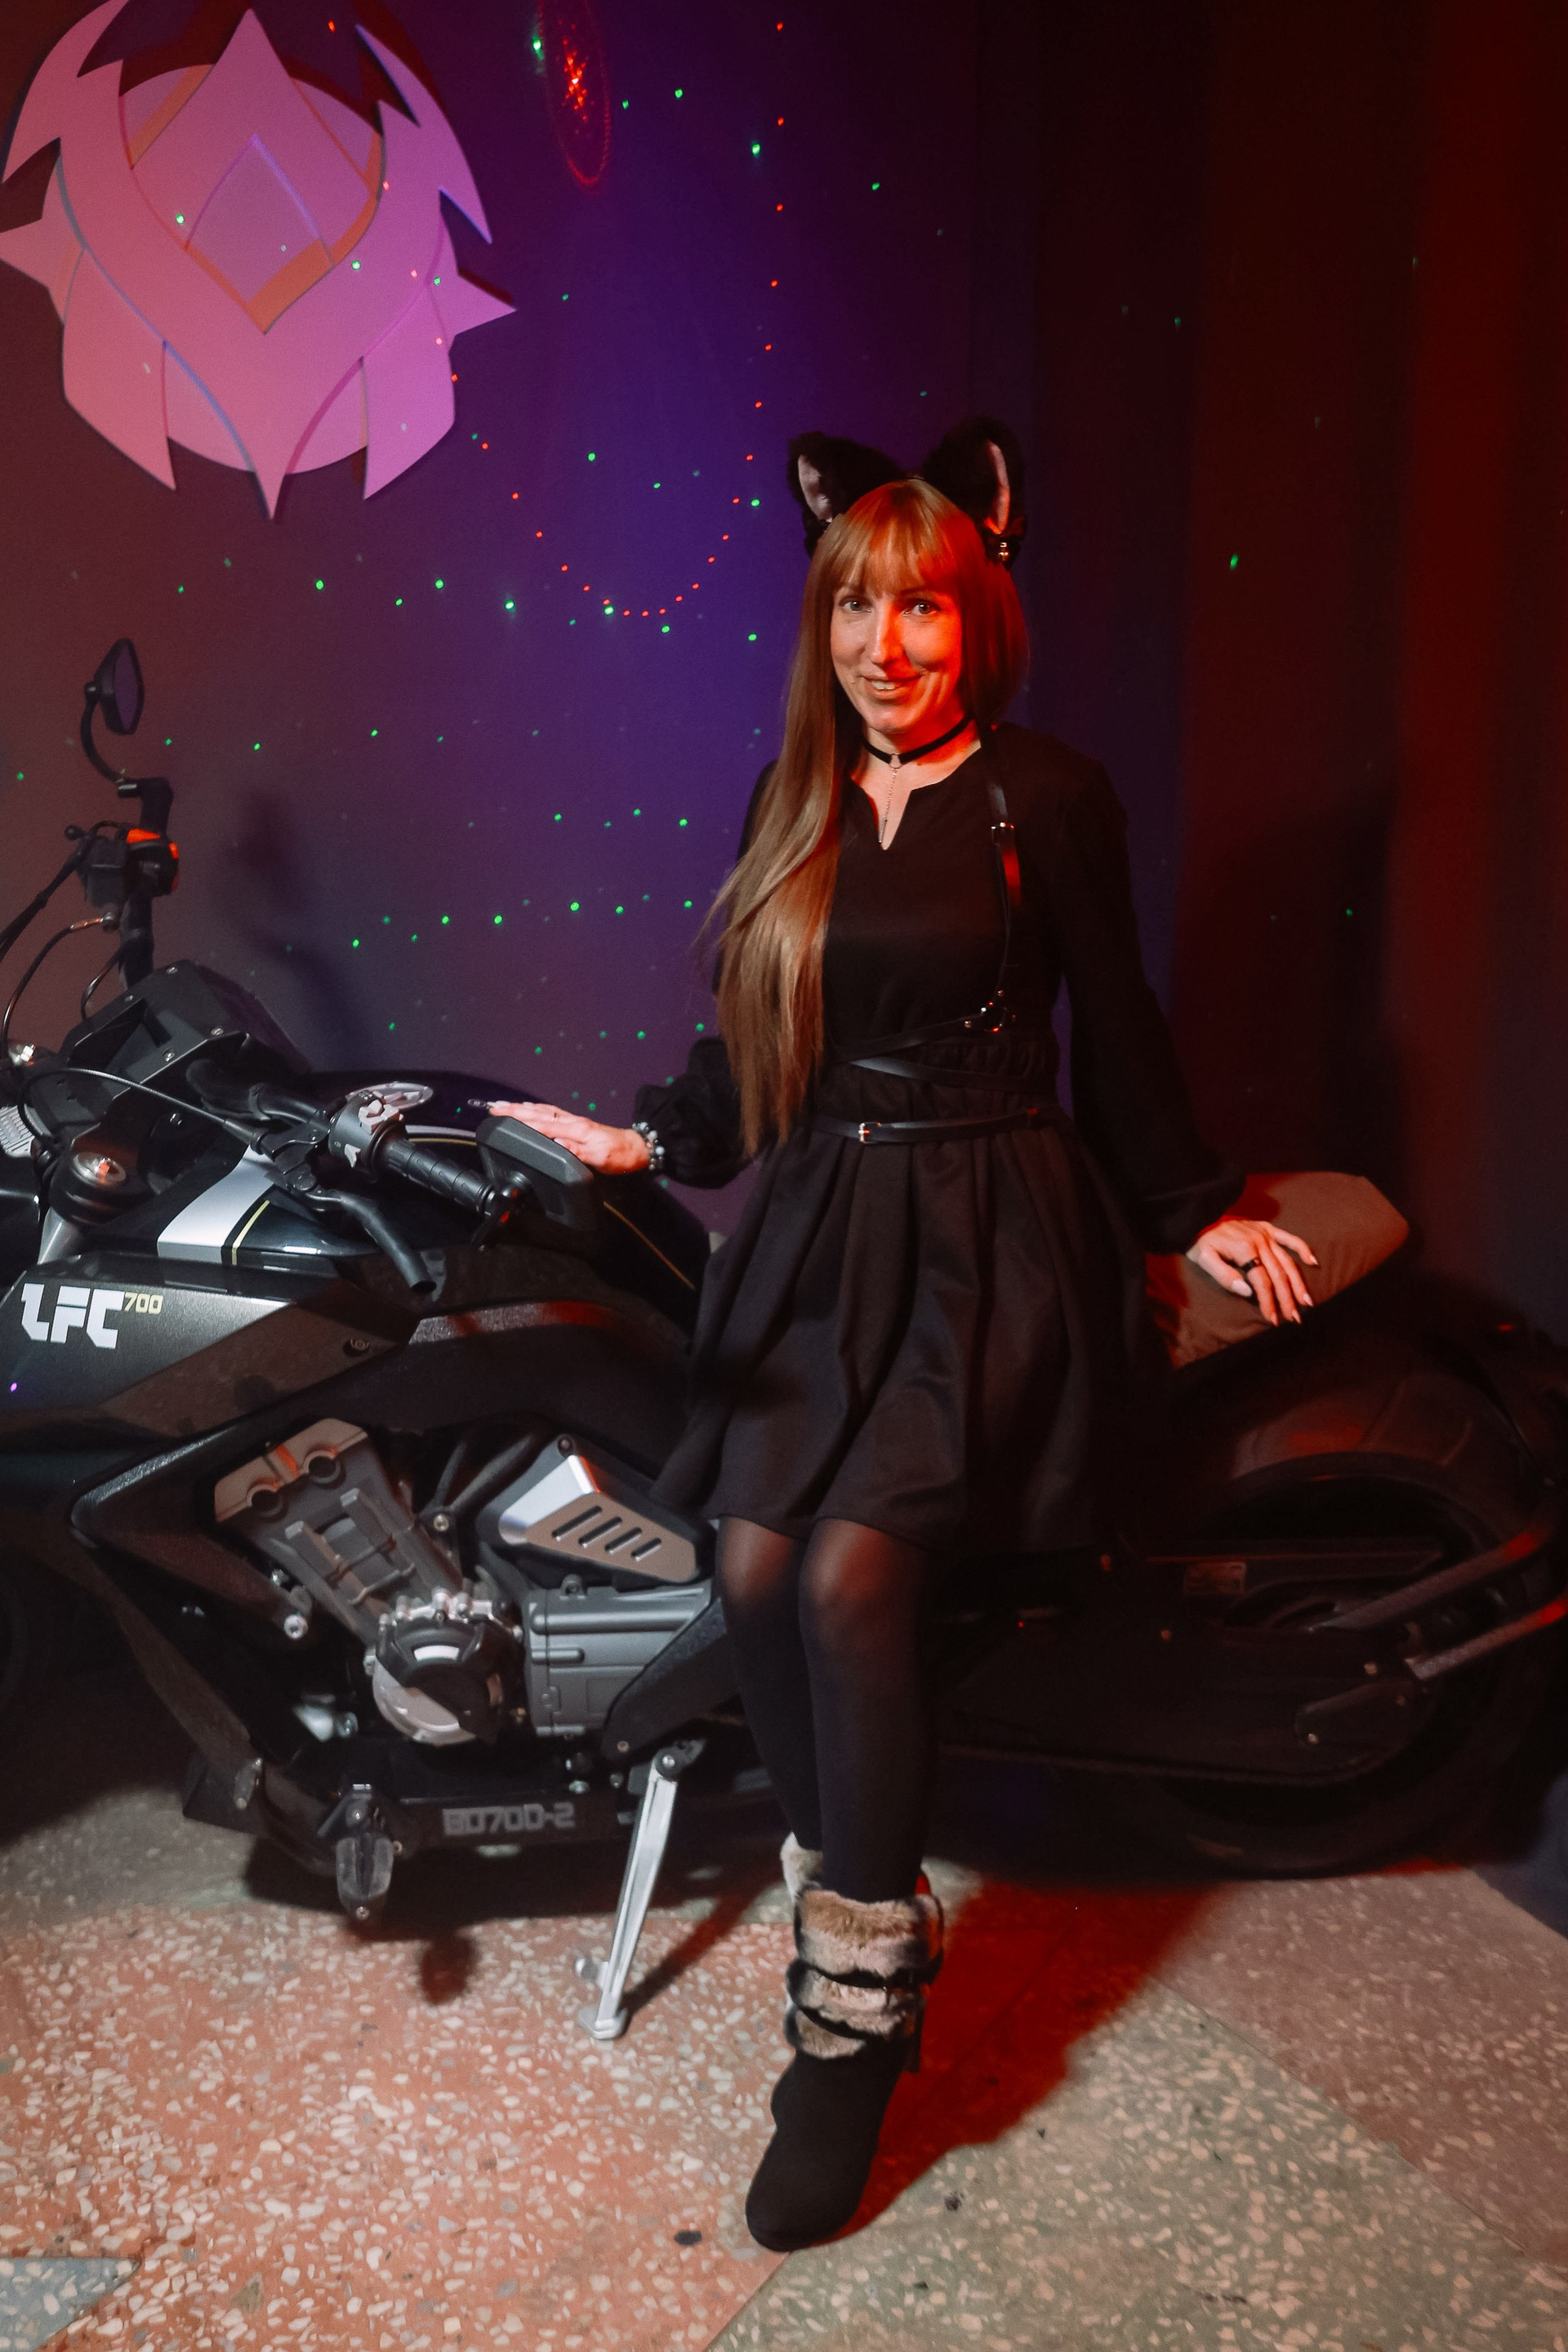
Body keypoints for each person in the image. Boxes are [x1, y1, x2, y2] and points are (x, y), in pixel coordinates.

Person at [490, 416, 1314, 2252]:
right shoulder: (789, 796)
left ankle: (850, 2028)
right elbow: (751, 1051)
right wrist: (646, 1139)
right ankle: (858, 1898)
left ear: (977, 616)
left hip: (993, 1226)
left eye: (921, 607)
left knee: (854, 1577)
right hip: (825, 1228)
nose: (885, 643)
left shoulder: (1046, 795)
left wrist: (1195, 1205)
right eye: (855, 607)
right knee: (752, 1562)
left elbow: (1122, 1021)